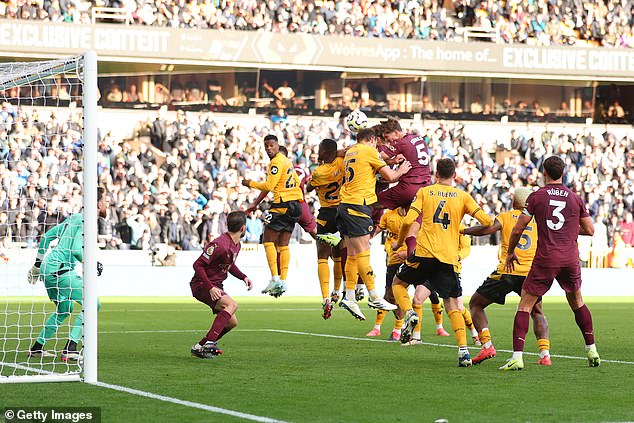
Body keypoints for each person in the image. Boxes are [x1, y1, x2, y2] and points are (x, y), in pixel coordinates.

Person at [391, 158, 494, 367]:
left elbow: (409, 221)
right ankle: (464, 352)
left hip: (423, 254)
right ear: (454, 176)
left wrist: (399, 243)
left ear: (435, 174)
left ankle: (409, 314)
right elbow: (488, 222)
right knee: (453, 305)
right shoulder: (462, 197)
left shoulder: (425, 192)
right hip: (447, 259)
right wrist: (464, 230)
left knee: (398, 284)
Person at [500, 156, 599, 371]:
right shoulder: (575, 198)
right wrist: (567, 230)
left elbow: (518, 228)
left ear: (544, 172)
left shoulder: (537, 197)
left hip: (547, 257)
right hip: (570, 257)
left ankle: (517, 357)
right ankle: (592, 350)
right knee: (578, 302)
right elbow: (590, 230)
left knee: (525, 304)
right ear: (563, 172)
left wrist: (510, 252)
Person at [463, 187, 551, 366]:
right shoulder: (538, 220)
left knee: (475, 304)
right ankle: (545, 355)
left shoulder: (506, 216)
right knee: (537, 312)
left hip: (507, 271)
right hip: (529, 273)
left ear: (514, 201)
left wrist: (464, 230)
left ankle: (487, 344)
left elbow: (486, 230)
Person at [337, 127, 411, 320]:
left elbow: (366, 167)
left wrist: (389, 160)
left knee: (353, 255)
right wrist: (402, 169)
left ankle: (350, 296)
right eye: (376, 143)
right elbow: (391, 177)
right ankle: (374, 295)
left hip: (345, 205)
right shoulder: (370, 150)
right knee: (363, 252)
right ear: (371, 140)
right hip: (358, 206)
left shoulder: (351, 151)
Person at [27, 187, 108, 361]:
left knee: (65, 308)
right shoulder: (82, 221)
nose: (108, 203)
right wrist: (92, 263)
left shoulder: (73, 219)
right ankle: (70, 348)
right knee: (94, 303)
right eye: (106, 200)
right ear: (98, 203)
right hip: (59, 270)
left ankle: (37, 347)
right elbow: (76, 249)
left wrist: (37, 265)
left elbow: (46, 237)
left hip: (48, 269)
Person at [242, 135, 303, 298]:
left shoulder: (276, 162)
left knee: (268, 240)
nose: (269, 148)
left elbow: (269, 185)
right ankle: (282, 281)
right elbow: (294, 183)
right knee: (283, 245)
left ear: (277, 145)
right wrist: (255, 203)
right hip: (295, 205)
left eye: (271, 146)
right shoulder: (286, 161)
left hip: (282, 204)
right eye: (266, 146)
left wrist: (250, 184)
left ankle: (275, 279)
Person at [190, 211, 253, 359]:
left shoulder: (236, 245)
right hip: (202, 284)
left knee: (231, 322)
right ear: (243, 228)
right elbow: (197, 265)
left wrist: (243, 277)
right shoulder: (219, 244)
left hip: (216, 285)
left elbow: (229, 265)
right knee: (232, 305)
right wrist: (210, 287)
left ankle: (199, 347)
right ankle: (210, 342)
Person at [306, 138, 344, 320]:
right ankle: (337, 290)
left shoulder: (318, 172)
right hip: (342, 214)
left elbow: (308, 187)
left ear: (324, 152)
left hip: (326, 214)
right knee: (337, 255)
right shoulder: (341, 162)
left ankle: (326, 298)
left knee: (322, 256)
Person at [366, 206, 407, 341]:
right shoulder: (389, 215)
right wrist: (364, 239)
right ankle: (380, 328)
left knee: (401, 293)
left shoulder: (415, 216)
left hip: (410, 259)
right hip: (392, 259)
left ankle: (399, 329)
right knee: (389, 294)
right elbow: (377, 230)